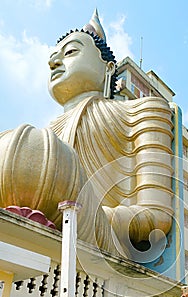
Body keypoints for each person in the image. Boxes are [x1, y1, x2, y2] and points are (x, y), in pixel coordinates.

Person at [0, 10, 174, 261]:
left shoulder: (143, 110)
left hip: (100, 237)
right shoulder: (45, 134)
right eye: (52, 59)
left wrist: (87, 214)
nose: (55, 63)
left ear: (109, 67)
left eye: (70, 52)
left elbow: (157, 217)